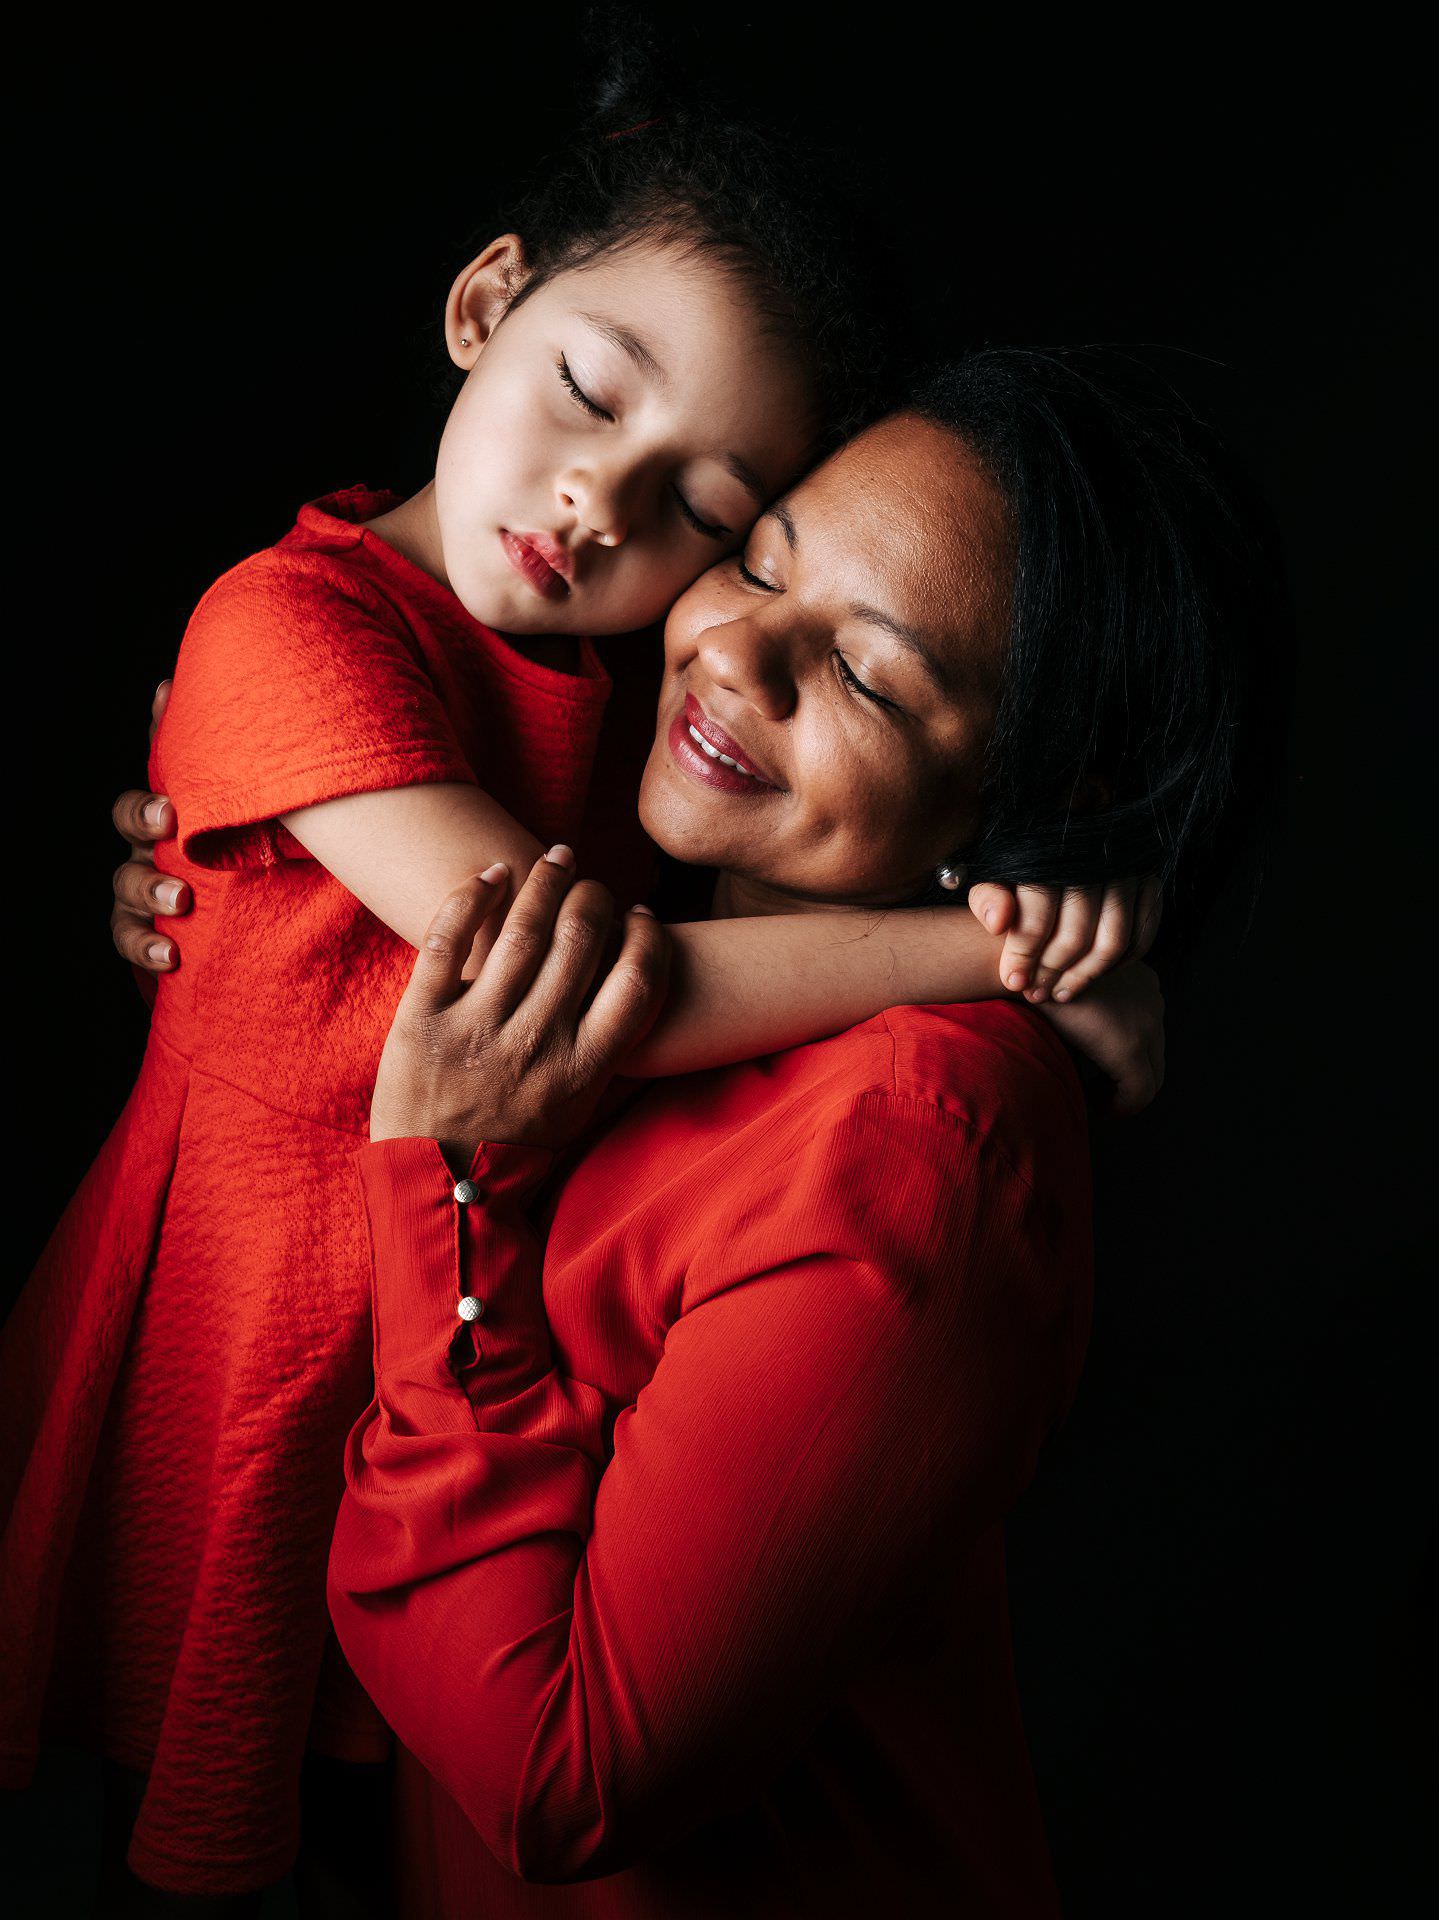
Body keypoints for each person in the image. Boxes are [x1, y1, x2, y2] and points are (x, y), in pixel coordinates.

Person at [0, 74, 1150, 1919]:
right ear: (482, 306)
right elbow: (585, 990)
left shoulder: (625, 704)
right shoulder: (299, 627)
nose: (588, 504)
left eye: (705, 505)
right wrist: (998, 947)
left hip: (409, 1405)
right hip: (241, 1370)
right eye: (588, 394)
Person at [323, 349, 1261, 1917]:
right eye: (761, 559)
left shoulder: (923, 1143)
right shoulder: (630, 864)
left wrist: (454, 1190)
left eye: (874, 679)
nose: (740, 654)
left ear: (1030, 803)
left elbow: (562, 1777)